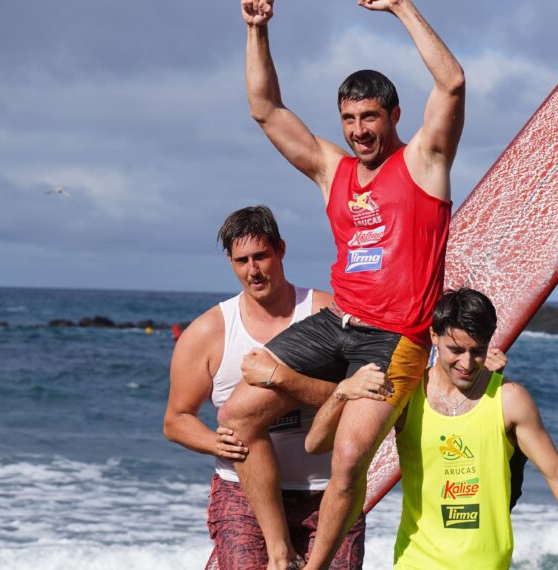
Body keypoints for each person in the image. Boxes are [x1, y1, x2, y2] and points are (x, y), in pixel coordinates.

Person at [220, 1, 466, 568]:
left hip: (396, 337)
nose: (359, 132)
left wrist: (401, 8)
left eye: (370, 118)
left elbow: (451, 82)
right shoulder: (334, 170)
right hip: (337, 324)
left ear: (394, 116)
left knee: (350, 455)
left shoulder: (425, 162)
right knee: (236, 418)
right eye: (350, 120)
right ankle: (280, 551)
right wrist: (257, 30)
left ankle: (316, 565)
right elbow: (265, 108)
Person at [306, 289, 558, 570]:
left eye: (478, 351)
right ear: (433, 337)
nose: (468, 363)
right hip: (418, 563)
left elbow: (557, 474)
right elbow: (317, 444)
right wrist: (341, 392)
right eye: (456, 350)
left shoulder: (509, 400)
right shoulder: (405, 394)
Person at [163, 206, 390, 570]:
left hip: (326, 492)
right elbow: (176, 419)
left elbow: (360, 398)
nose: (252, 271)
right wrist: (216, 442)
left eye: (261, 256)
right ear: (230, 262)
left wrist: (283, 379)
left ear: (281, 249)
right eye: (241, 261)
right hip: (243, 497)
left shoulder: (327, 314)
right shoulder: (208, 333)